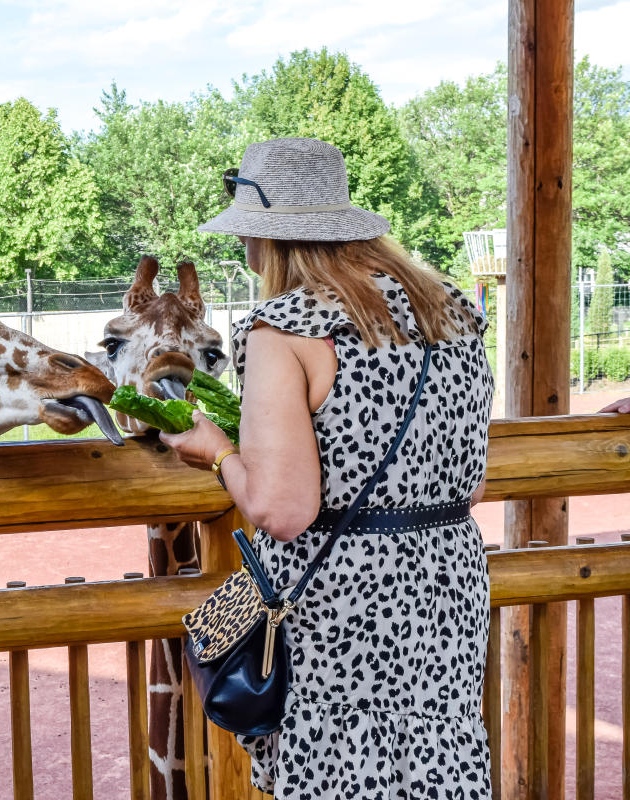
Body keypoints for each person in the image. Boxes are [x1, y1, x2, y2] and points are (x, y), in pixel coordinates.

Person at [163, 138, 493, 799]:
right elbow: (470, 482)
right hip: (450, 579)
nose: (245, 253)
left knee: (342, 771)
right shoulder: (452, 311)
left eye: (246, 238)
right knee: (437, 763)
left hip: (342, 601)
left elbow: (282, 510)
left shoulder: (285, 327)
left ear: (268, 241)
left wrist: (219, 452)